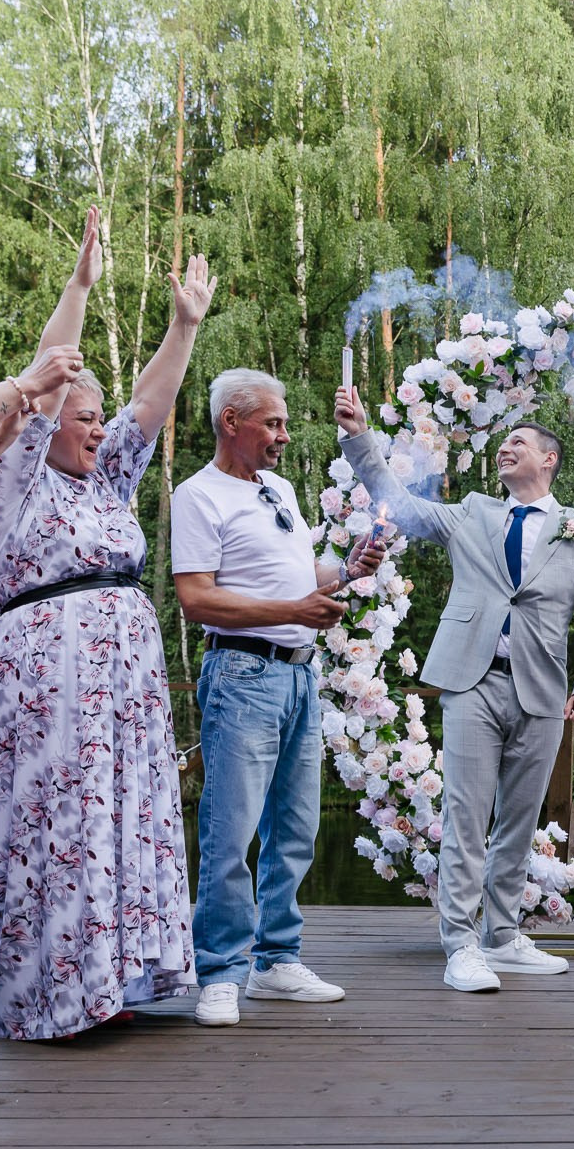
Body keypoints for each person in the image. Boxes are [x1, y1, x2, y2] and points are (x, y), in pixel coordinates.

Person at [0, 210, 213, 1040]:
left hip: (122, 684)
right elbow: (47, 381)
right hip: (49, 673)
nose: (98, 427)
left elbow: (147, 404)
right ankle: (56, 994)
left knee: (122, 813)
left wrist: (184, 326)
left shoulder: (102, 480)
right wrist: (78, 288)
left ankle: (115, 980)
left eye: (98, 418)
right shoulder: (11, 477)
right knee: (61, 818)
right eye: (84, 418)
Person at [334, 384, 574, 994]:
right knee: (465, 814)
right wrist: (359, 437)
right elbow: (398, 501)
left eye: (519, 442)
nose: (506, 449)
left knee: (519, 820)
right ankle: (460, 945)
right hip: (472, 681)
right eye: (503, 443)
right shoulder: (472, 514)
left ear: (549, 459)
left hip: (543, 690)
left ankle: (503, 936)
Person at [173, 369, 377, 1027]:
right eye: (274, 423)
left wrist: (346, 569)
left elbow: (298, 573)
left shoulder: (278, 489)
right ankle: (219, 971)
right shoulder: (198, 495)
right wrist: (294, 609)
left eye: (284, 423)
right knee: (230, 830)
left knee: (295, 828)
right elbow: (196, 598)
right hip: (242, 674)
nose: (285, 435)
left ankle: (276, 960)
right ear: (231, 422)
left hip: (299, 676)